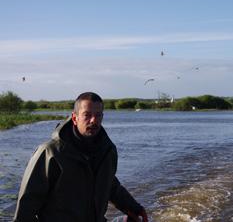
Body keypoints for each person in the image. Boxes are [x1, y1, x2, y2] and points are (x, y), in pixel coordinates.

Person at [13, 92, 148, 222]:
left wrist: (135, 208)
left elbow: (110, 185)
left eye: (98, 115)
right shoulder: (50, 153)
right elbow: (28, 201)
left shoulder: (108, 151)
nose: (93, 120)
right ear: (75, 118)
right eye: (87, 115)